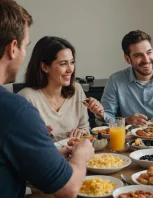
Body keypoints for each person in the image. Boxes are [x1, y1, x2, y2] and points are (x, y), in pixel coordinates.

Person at [0, 1, 94, 197]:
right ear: (13, 48)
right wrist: (81, 155)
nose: (70, 69)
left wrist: (45, 155)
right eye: (26, 45)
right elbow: (68, 189)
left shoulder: (75, 91)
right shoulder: (17, 108)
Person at [18, 36, 103, 139]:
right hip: (46, 155)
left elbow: (85, 128)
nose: (70, 70)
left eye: (72, 62)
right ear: (44, 67)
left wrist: (82, 132)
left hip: (77, 153)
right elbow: (23, 142)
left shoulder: (77, 89)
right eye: (63, 64)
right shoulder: (26, 98)